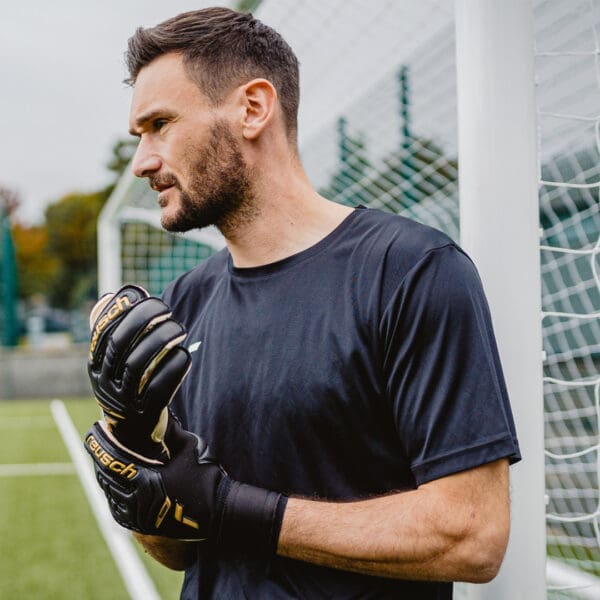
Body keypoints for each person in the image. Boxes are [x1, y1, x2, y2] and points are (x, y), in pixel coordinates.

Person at [86, 6, 521, 599]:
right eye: (140, 136)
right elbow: (177, 545)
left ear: (253, 108)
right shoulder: (181, 303)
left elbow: (471, 535)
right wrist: (136, 447)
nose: (143, 162)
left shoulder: (411, 272)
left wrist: (231, 507)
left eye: (161, 124)